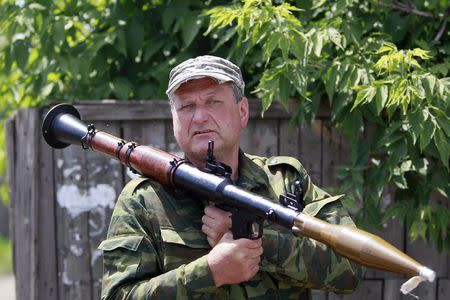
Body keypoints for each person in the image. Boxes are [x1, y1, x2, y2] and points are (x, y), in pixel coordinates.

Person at [99, 55, 364, 299]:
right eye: (187, 106)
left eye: (213, 101)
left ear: (242, 112)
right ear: (174, 119)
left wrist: (261, 242)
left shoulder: (284, 179)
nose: (200, 117)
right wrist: (210, 272)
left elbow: (351, 268)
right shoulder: (144, 200)